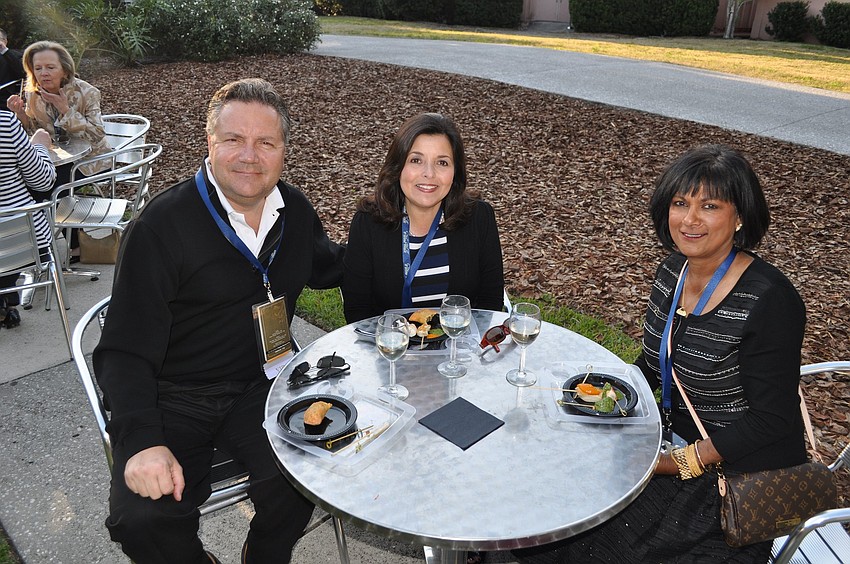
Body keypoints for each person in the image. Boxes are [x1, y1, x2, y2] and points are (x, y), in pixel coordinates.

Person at [92, 78, 344, 563]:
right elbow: (122, 351)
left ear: (283, 150)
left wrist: (407, 246)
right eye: (233, 139)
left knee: (312, 474)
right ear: (210, 142)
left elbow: (335, 265)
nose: (250, 155)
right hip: (175, 394)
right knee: (142, 520)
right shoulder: (160, 227)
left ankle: (264, 553)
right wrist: (142, 440)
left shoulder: (294, 211)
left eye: (265, 142)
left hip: (263, 386)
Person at [514, 145, 807, 563]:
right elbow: (654, 363)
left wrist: (680, 462)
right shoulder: (673, 270)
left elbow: (771, 421)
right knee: (545, 509)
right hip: (668, 445)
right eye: (680, 203)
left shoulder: (770, 299)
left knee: (599, 547)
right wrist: (596, 398)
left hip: (734, 483)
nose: (689, 219)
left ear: (739, 216)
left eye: (709, 206)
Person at [342, 112, 504, 323]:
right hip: (389, 350)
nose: (429, 173)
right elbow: (357, 312)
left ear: (455, 172)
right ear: (398, 166)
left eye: (442, 163)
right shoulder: (368, 224)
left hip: (460, 349)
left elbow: (489, 304)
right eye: (416, 160)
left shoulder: (479, 219)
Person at [6, 40, 110, 185]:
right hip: (53, 160)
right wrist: (21, 114)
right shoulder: (33, 94)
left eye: (50, 67)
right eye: (38, 68)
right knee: (17, 182)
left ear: (65, 70)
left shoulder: (87, 93)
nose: (44, 73)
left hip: (89, 162)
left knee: (41, 188)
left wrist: (65, 110)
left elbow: (97, 135)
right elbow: (34, 132)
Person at [0, 110, 56, 328]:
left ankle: (5, 303)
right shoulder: (5, 123)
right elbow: (43, 181)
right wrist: (40, 146)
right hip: (23, 243)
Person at [0, 28, 25, 110]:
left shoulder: (16, 56)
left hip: (5, 103)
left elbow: (23, 72)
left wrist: (4, 50)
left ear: (5, 41)